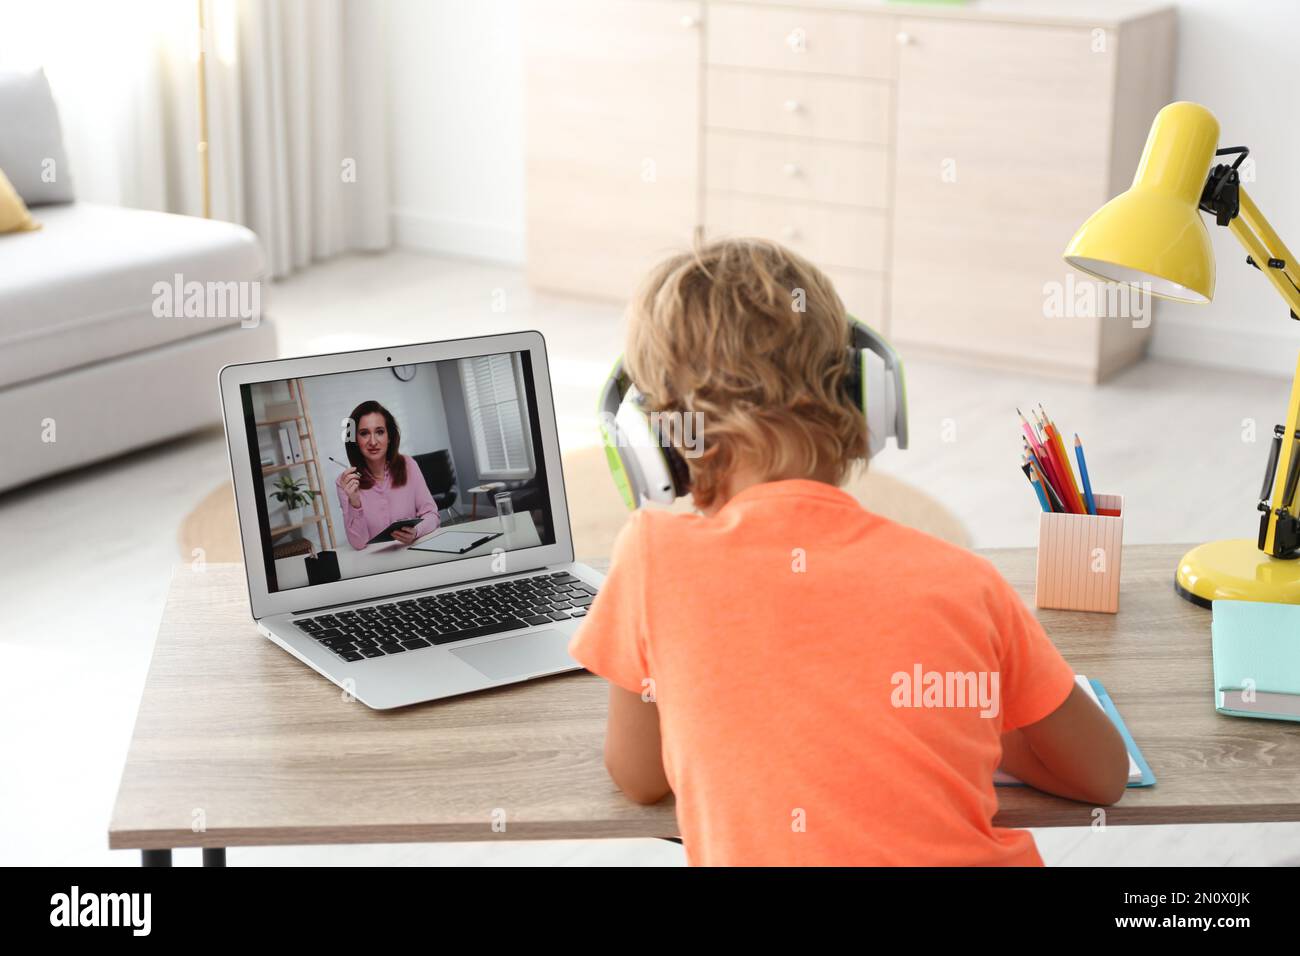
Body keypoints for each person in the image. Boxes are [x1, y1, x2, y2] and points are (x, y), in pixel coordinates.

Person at [568, 238, 1129, 865]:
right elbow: (1103, 775)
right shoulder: (965, 581)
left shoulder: (651, 558)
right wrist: (966, 729)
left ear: (651, 437)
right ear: (864, 397)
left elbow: (640, 777)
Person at [336, 400, 439, 550]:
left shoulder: (408, 464)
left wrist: (416, 531)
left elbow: (432, 515)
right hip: (375, 564)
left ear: (389, 437)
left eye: (379, 432)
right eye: (364, 433)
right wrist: (354, 503)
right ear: (355, 441)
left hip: (412, 553)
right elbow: (358, 543)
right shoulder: (345, 482)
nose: (373, 441)